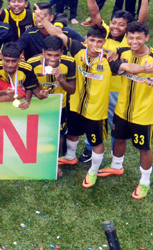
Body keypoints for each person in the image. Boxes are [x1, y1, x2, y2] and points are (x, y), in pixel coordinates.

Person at [37, 13, 150, 189]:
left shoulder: (108, 60)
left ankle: (93, 170)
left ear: (103, 43)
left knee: (96, 141)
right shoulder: (77, 50)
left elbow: (127, 67)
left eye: (99, 42)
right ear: (86, 40)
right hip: (75, 104)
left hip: (96, 110)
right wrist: (43, 20)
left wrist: (144, 68)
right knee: (73, 133)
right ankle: (70, 157)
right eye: (92, 41)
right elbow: (58, 34)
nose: (95, 45)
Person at [78, 0, 134, 162]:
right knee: (93, 120)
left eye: (121, 25)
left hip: (117, 92)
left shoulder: (130, 42)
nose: (116, 27)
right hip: (97, 87)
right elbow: (94, 12)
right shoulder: (104, 33)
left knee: (114, 124)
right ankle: (89, 148)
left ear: (128, 28)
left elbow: (141, 21)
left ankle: (114, 155)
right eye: (114, 23)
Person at [97, 22, 153, 199]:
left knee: (143, 147)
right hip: (122, 109)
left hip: (143, 113)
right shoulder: (122, 53)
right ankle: (116, 166)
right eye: (131, 37)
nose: (134, 41)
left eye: (139, 38)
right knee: (119, 138)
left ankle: (145, 181)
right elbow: (114, 68)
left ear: (147, 38)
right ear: (126, 37)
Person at [28, 35, 76, 156]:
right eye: (49, 55)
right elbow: (29, 85)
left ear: (62, 52)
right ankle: (37, 156)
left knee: (59, 133)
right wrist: (38, 93)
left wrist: (61, 80)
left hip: (60, 104)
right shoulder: (32, 63)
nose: (53, 59)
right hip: (39, 103)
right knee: (38, 132)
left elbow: (72, 90)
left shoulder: (69, 62)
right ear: (43, 52)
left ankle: (56, 162)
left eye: (56, 55)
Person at [15, 2, 84, 60]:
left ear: (51, 18)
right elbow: (16, 47)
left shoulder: (65, 31)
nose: (39, 19)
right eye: (37, 16)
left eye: (43, 16)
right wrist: (19, 54)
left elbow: (84, 45)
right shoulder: (30, 33)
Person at [0, 42, 39, 109]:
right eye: (7, 61)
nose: (10, 65)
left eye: (14, 61)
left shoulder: (27, 68)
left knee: (19, 92)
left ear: (20, 59)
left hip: (15, 93)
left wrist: (27, 101)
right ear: (2, 58)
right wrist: (3, 93)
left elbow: (29, 88)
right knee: (19, 93)